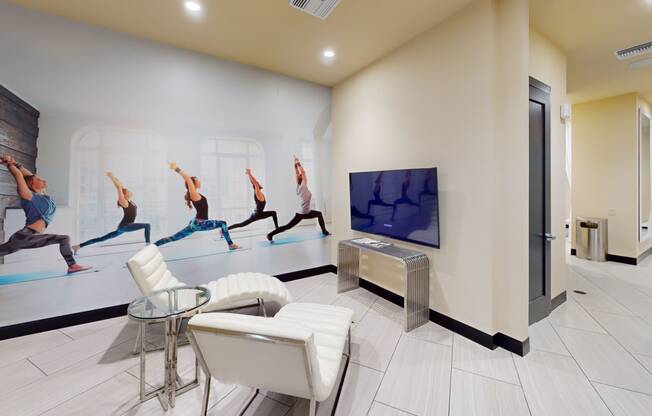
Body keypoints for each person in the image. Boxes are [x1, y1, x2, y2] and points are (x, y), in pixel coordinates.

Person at [0, 155, 90, 273]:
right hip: (25, 236)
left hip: (25, 237)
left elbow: (28, 176)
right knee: (64, 239)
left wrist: (14, 162)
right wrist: (9, 164)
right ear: (32, 185)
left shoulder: (44, 196)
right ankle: (72, 265)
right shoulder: (28, 196)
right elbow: (19, 176)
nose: (43, 180)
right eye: (39, 179)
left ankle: (72, 266)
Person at [154, 162, 239, 249]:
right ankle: (231, 245)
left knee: (175, 237)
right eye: (197, 180)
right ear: (193, 183)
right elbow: (187, 178)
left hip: (196, 222)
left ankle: (154, 245)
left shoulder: (196, 194)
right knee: (223, 223)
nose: (199, 181)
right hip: (200, 223)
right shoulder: (193, 194)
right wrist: (176, 168)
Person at [72, 172, 150, 253]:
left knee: (102, 238)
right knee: (147, 225)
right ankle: (148, 245)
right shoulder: (124, 202)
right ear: (125, 195)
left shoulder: (130, 201)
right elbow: (119, 187)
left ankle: (78, 246)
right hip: (125, 226)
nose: (130, 191)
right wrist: (111, 177)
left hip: (123, 227)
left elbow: (120, 185)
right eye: (128, 191)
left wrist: (114, 177)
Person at [267, 156, 329, 242]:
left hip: (301, 212)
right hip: (304, 212)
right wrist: (297, 162)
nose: (301, 175)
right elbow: (303, 172)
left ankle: (270, 234)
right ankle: (324, 231)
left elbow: (298, 174)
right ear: (301, 178)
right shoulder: (303, 185)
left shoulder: (298, 187)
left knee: (288, 226)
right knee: (319, 214)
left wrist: (295, 165)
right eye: (301, 176)